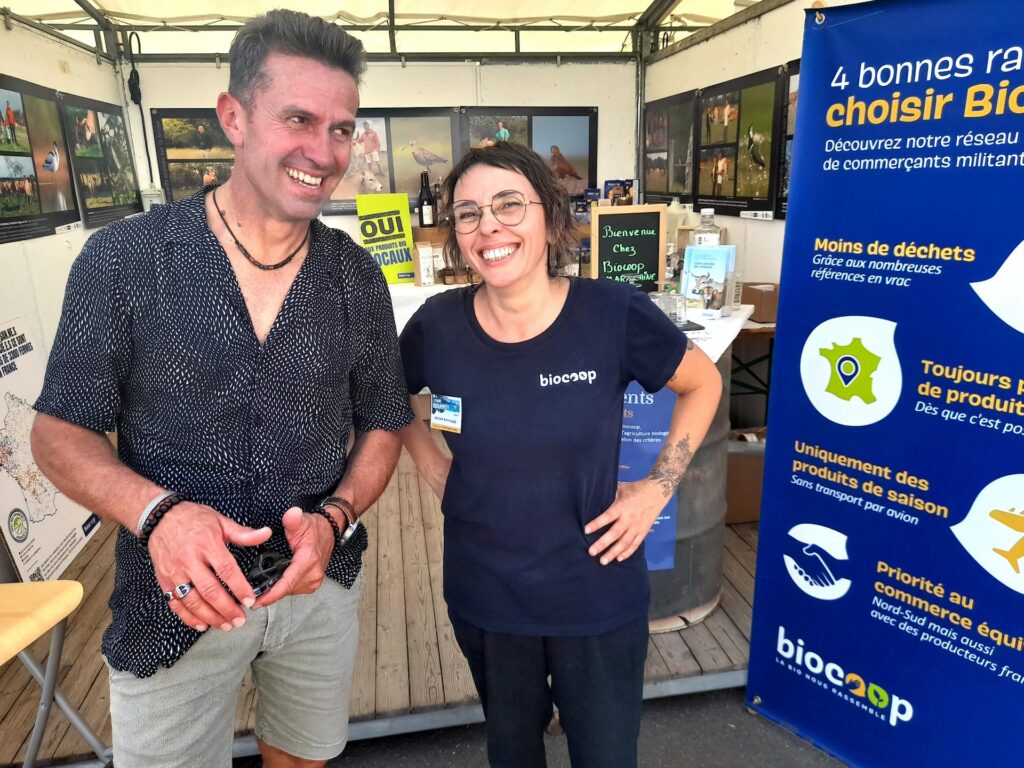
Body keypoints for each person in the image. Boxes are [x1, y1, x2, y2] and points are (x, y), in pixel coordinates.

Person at [31, 10, 412, 768]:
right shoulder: (126, 260)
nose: (323, 151)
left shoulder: (354, 276)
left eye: (342, 129)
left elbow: (384, 423)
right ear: (234, 117)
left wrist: (335, 518)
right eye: (298, 119)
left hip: (316, 585)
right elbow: (57, 432)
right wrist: (159, 516)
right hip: (172, 596)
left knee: (305, 758)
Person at [398, 143, 722, 768]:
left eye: (509, 204)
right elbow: (394, 397)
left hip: (594, 594)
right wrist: (431, 461)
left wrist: (659, 487)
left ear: (548, 216)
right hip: (488, 594)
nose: (488, 225)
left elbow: (702, 383)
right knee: (513, 754)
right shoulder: (436, 325)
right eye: (468, 213)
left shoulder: (612, 313)